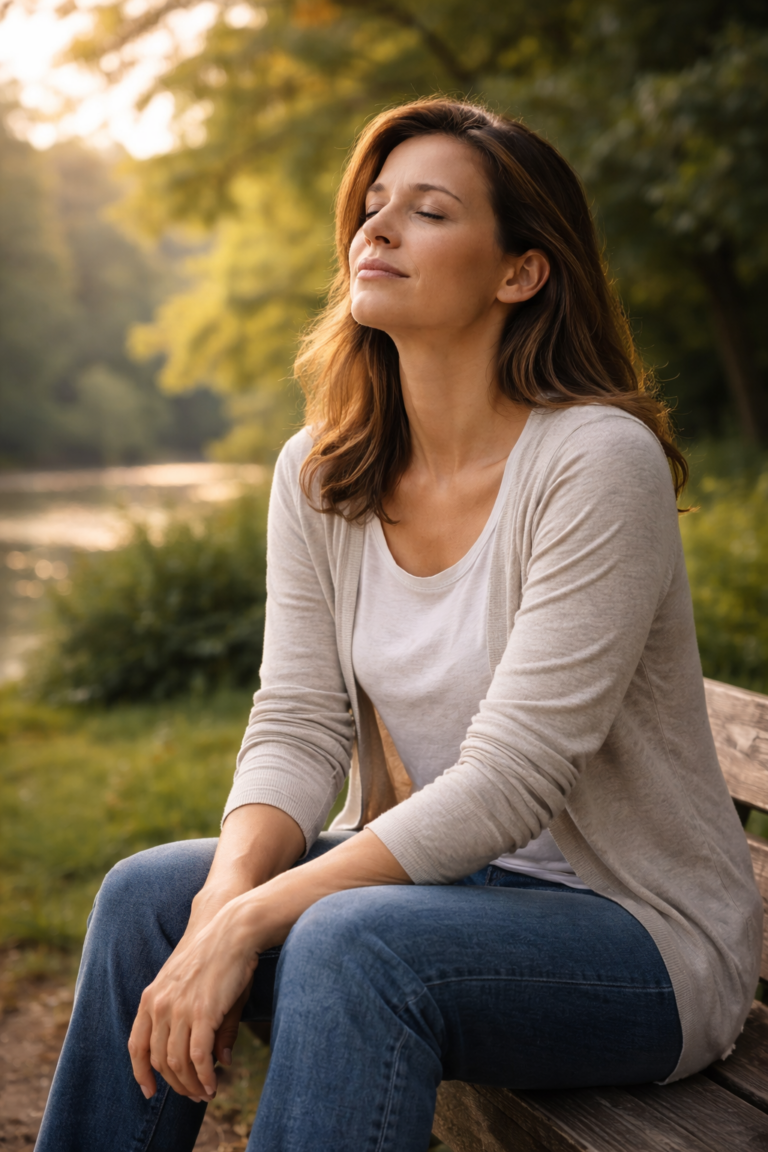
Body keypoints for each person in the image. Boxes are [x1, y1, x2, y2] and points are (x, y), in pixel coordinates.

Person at [36, 98, 761, 1152]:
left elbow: (512, 779)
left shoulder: (597, 462)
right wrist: (223, 897)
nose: (377, 228)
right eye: (374, 205)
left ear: (521, 272)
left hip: (642, 941)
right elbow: (296, 721)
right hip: (450, 892)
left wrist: (248, 921)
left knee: (352, 943)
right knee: (149, 897)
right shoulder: (323, 471)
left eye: (429, 211)